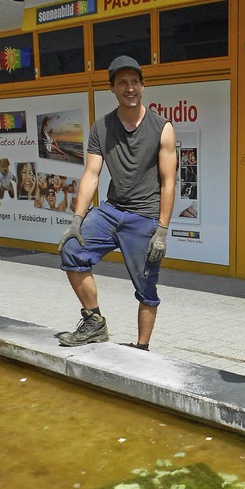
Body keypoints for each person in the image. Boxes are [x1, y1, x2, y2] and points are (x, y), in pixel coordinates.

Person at [57, 55, 176, 350]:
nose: (130, 88)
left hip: (145, 217)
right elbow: (91, 175)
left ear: (143, 86)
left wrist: (161, 230)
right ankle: (94, 322)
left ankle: (141, 348)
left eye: (135, 81)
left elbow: (169, 182)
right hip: (111, 211)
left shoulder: (163, 128)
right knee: (72, 250)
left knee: (146, 287)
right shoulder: (102, 128)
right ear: (112, 88)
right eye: (122, 82)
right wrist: (77, 220)